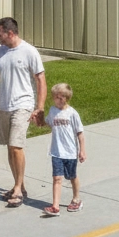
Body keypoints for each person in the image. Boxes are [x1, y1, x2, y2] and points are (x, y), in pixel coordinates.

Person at [0, 16, 46, 208]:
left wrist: (39, 108)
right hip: (3, 105)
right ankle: (20, 186)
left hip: (22, 104)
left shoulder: (29, 51)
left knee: (16, 146)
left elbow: (40, 80)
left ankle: (17, 188)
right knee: (10, 147)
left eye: (0, 34)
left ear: (10, 33)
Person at [41, 82, 86, 216]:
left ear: (66, 98)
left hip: (70, 152)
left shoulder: (72, 114)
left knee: (72, 176)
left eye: (60, 98)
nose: (57, 100)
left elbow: (80, 133)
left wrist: (82, 150)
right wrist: (38, 120)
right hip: (56, 152)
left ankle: (76, 198)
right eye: (55, 97)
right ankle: (55, 206)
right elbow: (47, 123)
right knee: (57, 178)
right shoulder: (52, 111)